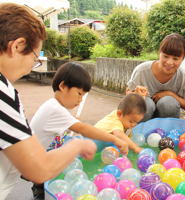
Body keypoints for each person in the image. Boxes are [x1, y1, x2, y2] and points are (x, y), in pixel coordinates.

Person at [0, 3, 97, 199]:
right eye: (35, 57)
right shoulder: (3, 94)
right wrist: (77, 145)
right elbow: (38, 170)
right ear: (17, 46)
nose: (31, 67)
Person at [29, 62, 129, 199]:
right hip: (34, 162)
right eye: (79, 94)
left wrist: (71, 120)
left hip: (41, 157)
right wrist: (114, 139)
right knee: (42, 187)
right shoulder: (55, 109)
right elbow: (83, 129)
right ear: (63, 86)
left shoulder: (55, 107)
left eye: (83, 96)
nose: (80, 100)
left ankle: (39, 188)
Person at [127, 33, 185, 121]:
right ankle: (140, 132)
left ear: (183, 58)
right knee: (146, 104)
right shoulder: (141, 71)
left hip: (167, 122)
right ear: (159, 53)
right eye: (165, 56)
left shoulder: (184, 77)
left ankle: (168, 132)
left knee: (168, 103)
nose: (169, 62)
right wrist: (135, 95)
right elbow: (128, 95)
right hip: (143, 119)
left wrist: (171, 95)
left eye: (175, 58)